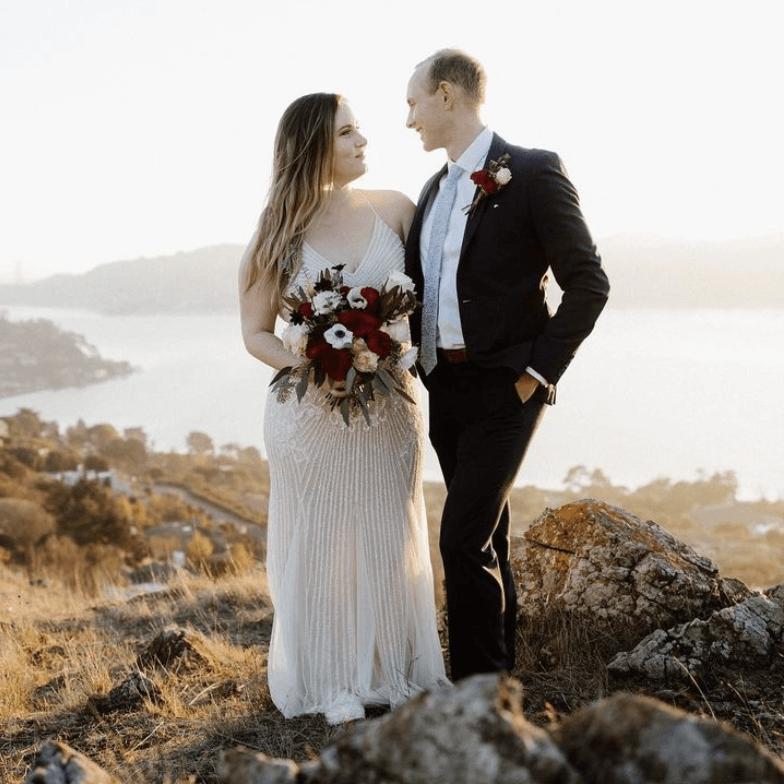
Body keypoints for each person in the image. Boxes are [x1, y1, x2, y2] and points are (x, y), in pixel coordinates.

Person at [239, 93, 448, 725]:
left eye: (360, 131)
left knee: (389, 531)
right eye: (348, 133)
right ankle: (332, 680)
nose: (364, 141)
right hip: (309, 417)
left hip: (390, 409)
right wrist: (314, 363)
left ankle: (394, 670)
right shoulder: (274, 234)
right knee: (322, 539)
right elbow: (256, 335)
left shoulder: (397, 211)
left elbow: (439, 295)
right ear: (313, 147)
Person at [404, 49, 610, 681]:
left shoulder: (533, 171)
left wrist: (537, 374)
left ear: (446, 95)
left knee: (460, 539)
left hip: (507, 389)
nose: (408, 119)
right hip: (446, 390)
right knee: (486, 538)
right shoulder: (433, 190)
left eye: (413, 103)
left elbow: (589, 283)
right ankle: (500, 687)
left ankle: (473, 699)